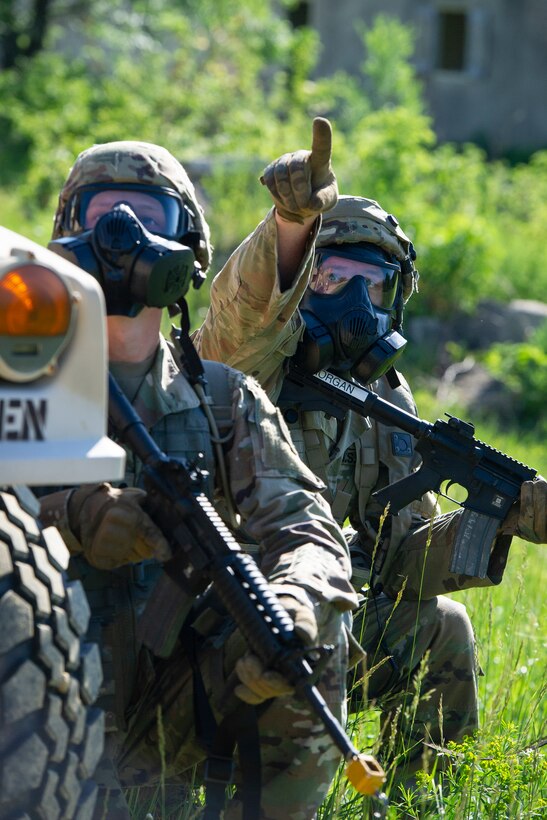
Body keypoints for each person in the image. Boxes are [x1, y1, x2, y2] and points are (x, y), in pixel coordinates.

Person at [192, 118, 547, 794]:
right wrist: (289, 226)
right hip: (219, 621)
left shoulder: (388, 399)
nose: (354, 300)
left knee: (442, 626)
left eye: (372, 282)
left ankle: (414, 798)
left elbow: (401, 564)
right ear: (300, 283)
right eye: (328, 276)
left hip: (327, 620)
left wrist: (503, 516)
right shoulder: (248, 365)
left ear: (395, 297)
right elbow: (241, 315)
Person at [39, 140, 360, 820]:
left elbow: (306, 529)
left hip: (168, 707)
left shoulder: (222, 400)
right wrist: (64, 516)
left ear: (187, 246)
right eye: (101, 214)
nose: (121, 234)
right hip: (35, 694)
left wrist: (294, 600)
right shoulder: (20, 388)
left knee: (307, 639)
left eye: (145, 213)